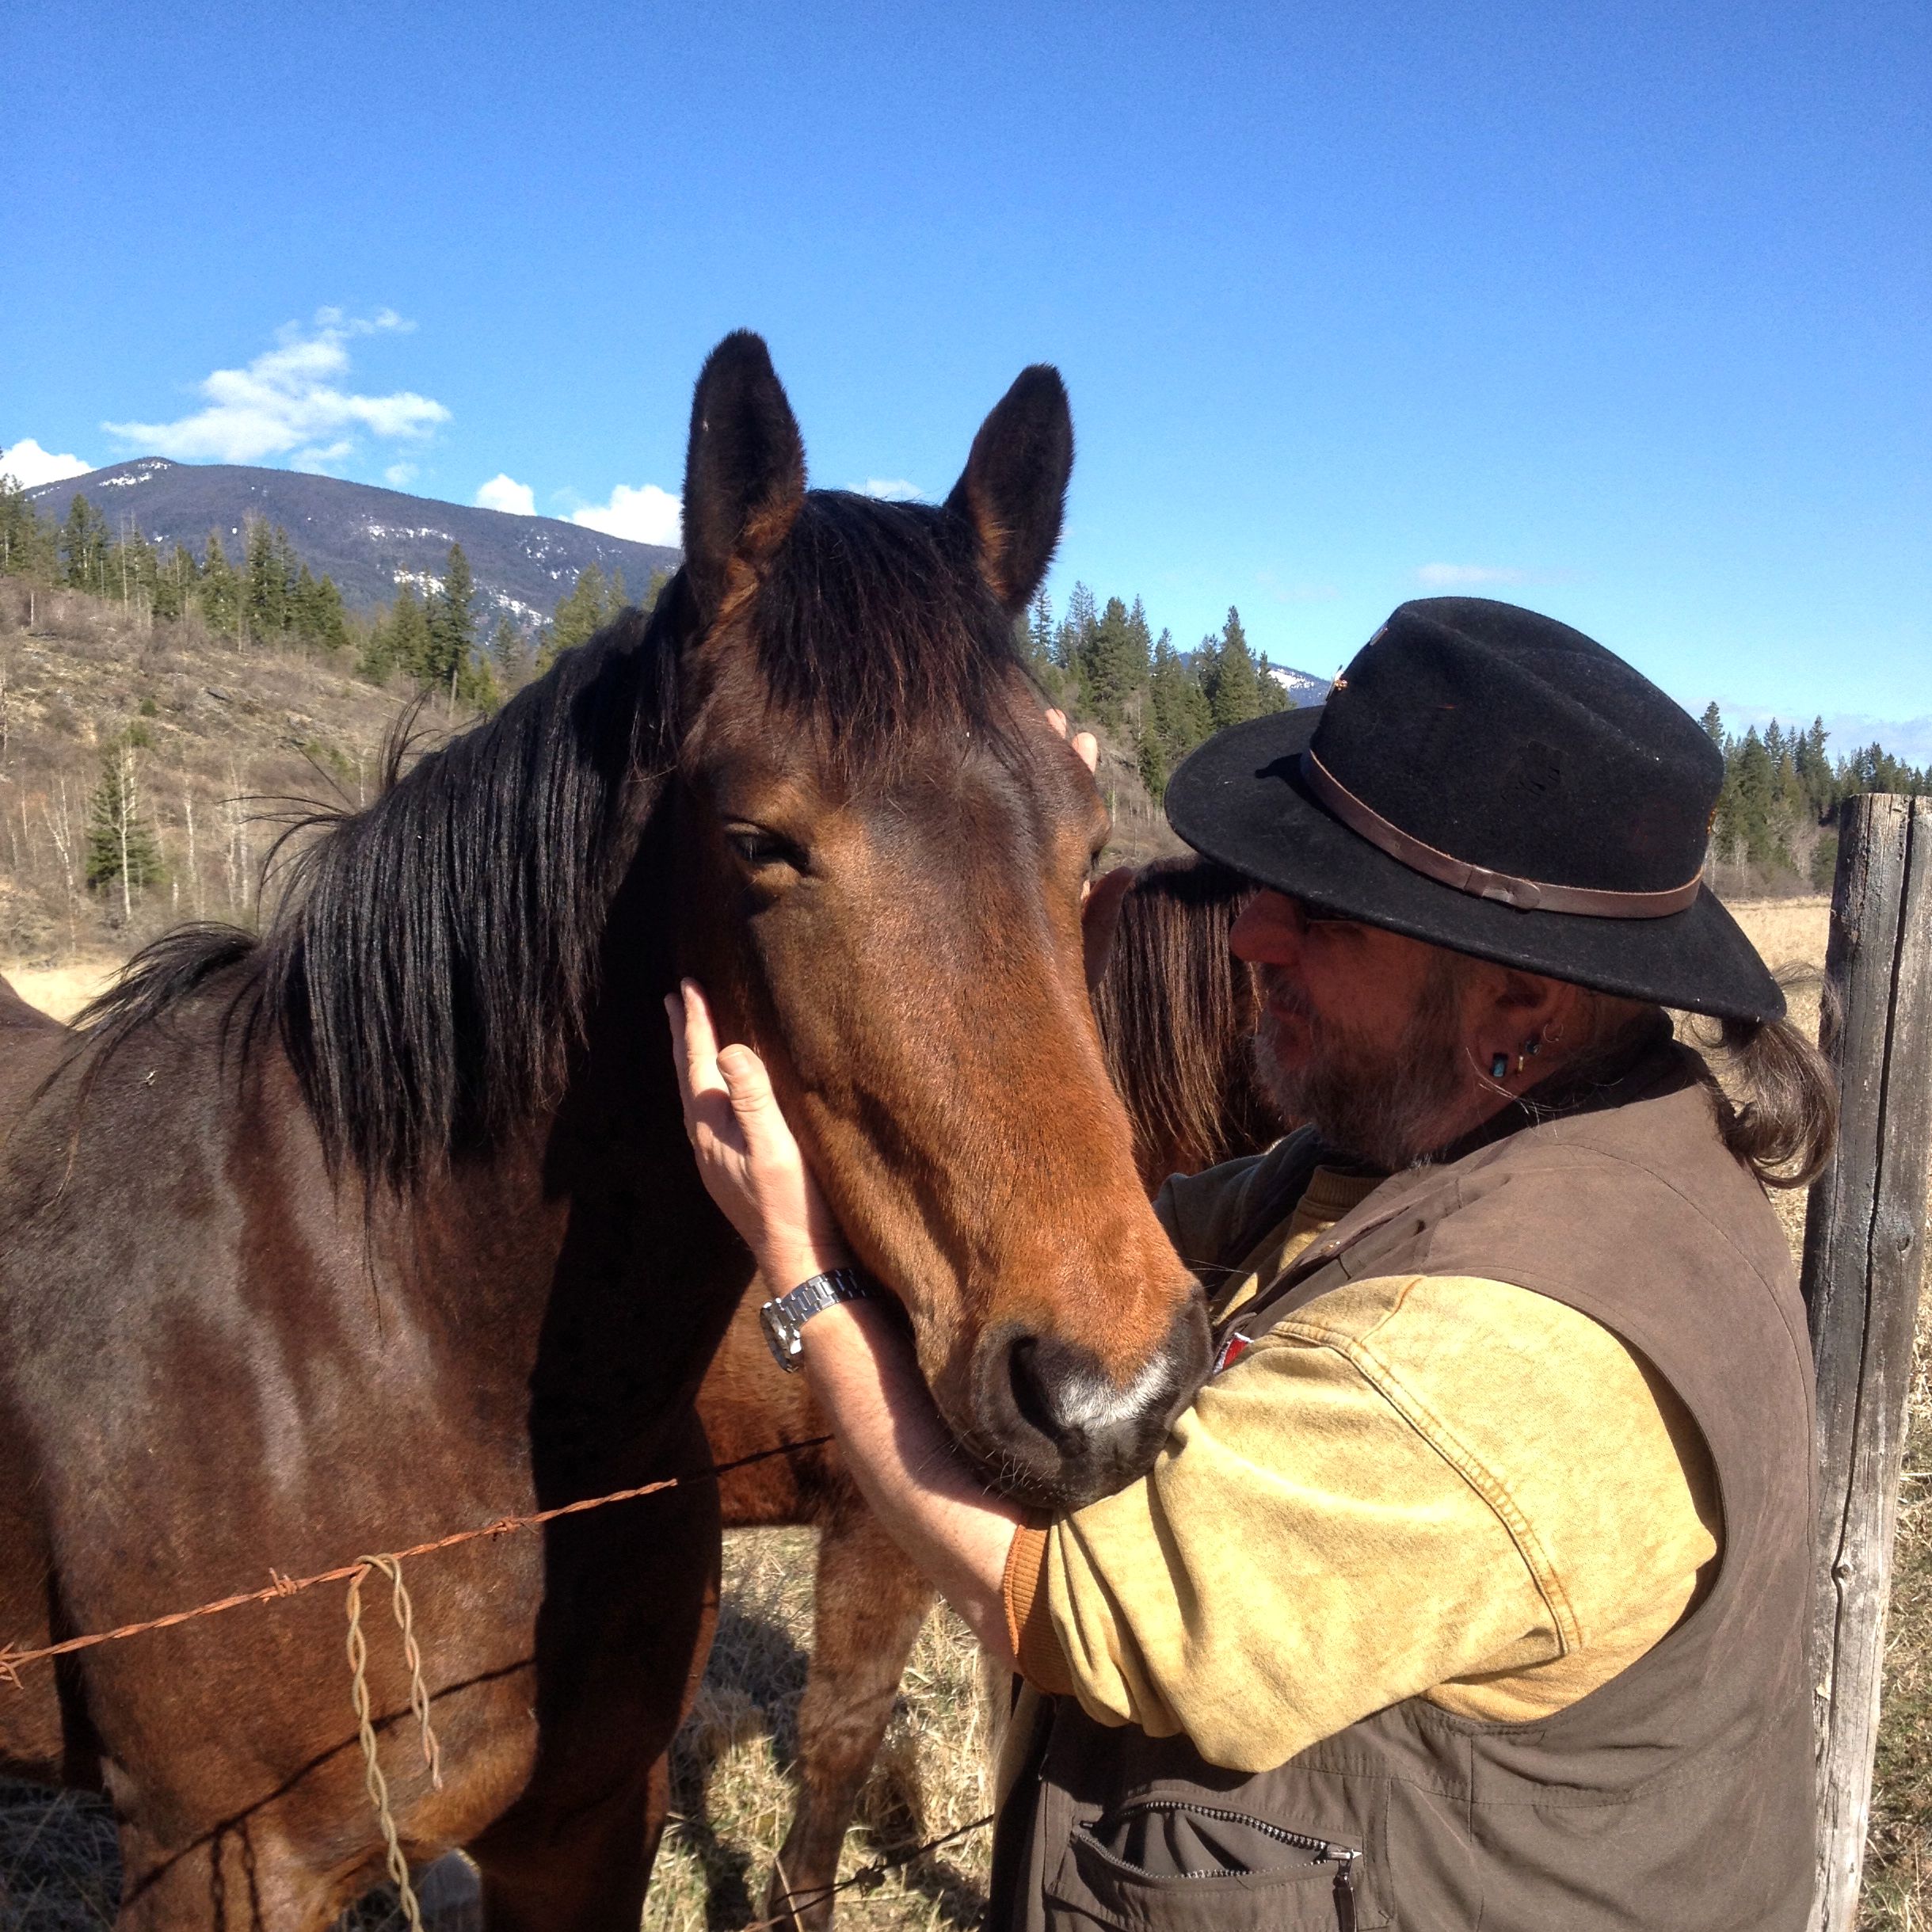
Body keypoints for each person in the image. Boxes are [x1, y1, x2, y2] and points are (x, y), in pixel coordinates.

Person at [668, 596, 1837, 1931]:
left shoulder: (1501, 1364)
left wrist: (806, 1278)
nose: (1248, 939)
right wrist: (999, 873)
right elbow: (1148, 1241)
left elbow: (1070, 1609)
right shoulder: (1519, 1139)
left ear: (1522, 997)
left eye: (1326, 917)